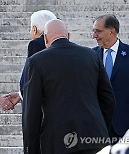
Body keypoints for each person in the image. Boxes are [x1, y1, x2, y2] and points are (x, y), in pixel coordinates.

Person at [22, 19, 115, 154]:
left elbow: (31, 113)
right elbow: (108, 99)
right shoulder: (92, 56)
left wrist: (31, 149)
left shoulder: (36, 62)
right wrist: (99, 129)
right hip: (95, 139)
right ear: (69, 36)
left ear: (46, 39)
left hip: (58, 142)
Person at [92, 14, 129, 142]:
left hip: (124, 127)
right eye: (94, 31)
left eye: (98, 31)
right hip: (97, 126)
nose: (94, 35)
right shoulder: (91, 56)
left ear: (111, 31)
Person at [8, 10, 57, 105]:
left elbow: (32, 75)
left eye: (30, 28)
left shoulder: (36, 44)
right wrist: (20, 94)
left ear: (34, 29)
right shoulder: (59, 43)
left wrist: (23, 93)